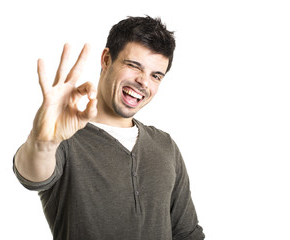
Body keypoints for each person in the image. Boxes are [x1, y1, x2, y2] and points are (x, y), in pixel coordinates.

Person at [13, 16, 205, 240]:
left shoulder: (165, 146)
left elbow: (187, 234)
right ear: (106, 59)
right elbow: (31, 176)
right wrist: (42, 142)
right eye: (134, 65)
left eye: (155, 76)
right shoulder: (65, 139)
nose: (144, 82)